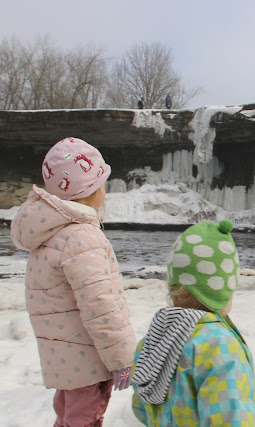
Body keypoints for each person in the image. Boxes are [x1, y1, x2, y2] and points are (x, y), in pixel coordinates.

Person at [10, 137, 137, 426]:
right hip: (89, 361)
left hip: (63, 360)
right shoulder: (81, 237)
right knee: (84, 420)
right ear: (91, 190)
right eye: (103, 183)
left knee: (69, 417)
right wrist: (121, 358)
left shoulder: (48, 234)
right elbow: (100, 305)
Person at [131, 220, 255, 427]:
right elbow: (232, 418)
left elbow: (141, 407)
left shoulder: (154, 339)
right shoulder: (219, 347)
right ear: (222, 291)